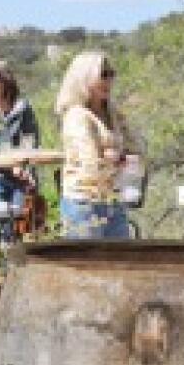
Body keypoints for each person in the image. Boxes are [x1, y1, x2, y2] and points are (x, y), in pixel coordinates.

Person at [55, 50, 131, 239]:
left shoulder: (113, 113)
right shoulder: (77, 116)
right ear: (84, 77)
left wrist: (118, 157)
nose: (108, 80)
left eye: (111, 74)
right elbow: (91, 164)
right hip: (84, 204)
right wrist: (116, 159)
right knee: (87, 266)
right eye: (103, 74)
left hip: (114, 200)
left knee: (120, 266)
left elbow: (136, 148)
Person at [0, 63, 41, 214]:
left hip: (21, 176)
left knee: (21, 221)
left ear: (6, 83)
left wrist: (23, 167)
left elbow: (30, 139)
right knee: (1, 223)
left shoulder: (22, 108)